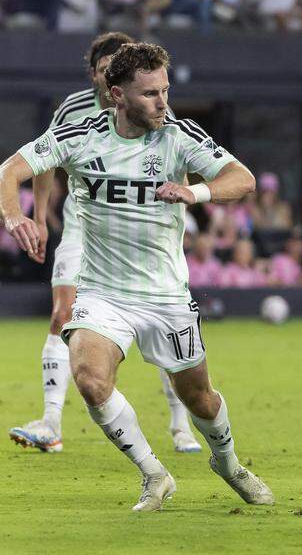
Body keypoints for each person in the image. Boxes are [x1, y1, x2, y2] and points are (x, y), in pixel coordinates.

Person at [0, 43, 274, 511]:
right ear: (117, 94)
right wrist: (15, 217)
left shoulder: (179, 136)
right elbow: (11, 170)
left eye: (165, 91)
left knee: (200, 399)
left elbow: (242, 177)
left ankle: (229, 463)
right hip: (104, 292)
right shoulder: (82, 135)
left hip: (166, 294)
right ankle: (154, 473)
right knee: (89, 378)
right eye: (149, 94)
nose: (162, 103)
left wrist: (195, 191)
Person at [8, 32, 201, 456]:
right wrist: (40, 218)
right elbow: (42, 161)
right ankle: (51, 422)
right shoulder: (74, 110)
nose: (105, 75)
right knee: (62, 312)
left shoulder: (154, 111)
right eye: (101, 69)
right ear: (98, 75)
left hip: (147, 231)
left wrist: (181, 214)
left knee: (162, 327)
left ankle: (180, 424)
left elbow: (181, 163)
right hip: (84, 226)